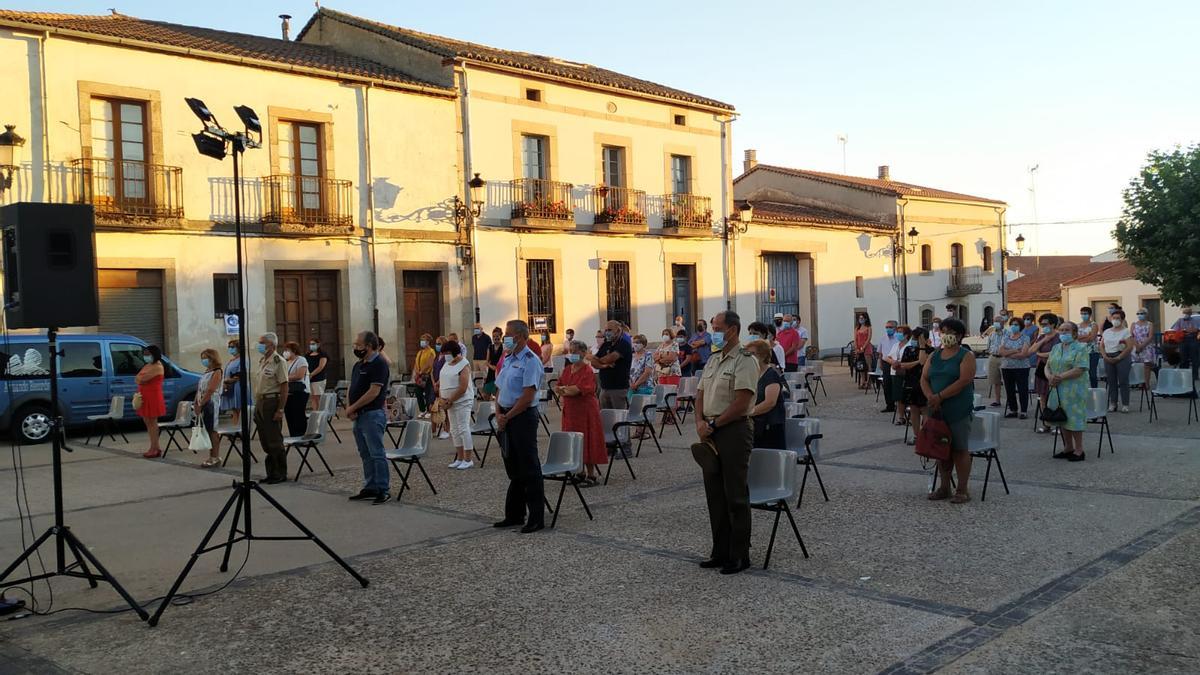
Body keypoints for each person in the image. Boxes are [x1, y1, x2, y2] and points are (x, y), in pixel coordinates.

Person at [690, 310, 758, 575]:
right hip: (709, 430)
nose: (712, 331)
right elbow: (700, 393)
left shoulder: (745, 360)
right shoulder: (714, 358)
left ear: (732, 330)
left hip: (733, 430)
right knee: (715, 494)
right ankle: (720, 550)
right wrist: (699, 422)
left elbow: (742, 402)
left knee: (735, 495)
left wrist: (715, 424)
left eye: (717, 327)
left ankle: (739, 554)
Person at [492, 320, 545, 534]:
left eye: (509, 334)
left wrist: (509, 415)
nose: (506, 338)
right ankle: (514, 514)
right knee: (513, 468)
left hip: (522, 417)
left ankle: (536, 517)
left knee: (529, 467)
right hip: (505, 415)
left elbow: (527, 395)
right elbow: (499, 388)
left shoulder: (531, 361)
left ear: (522, 337)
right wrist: (498, 413)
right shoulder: (507, 358)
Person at [921, 318, 976, 504]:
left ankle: (962, 489)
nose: (946, 335)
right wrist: (930, 396)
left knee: (959, 449)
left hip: (957, 408)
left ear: (959, 336)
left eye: (951, 332)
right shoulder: (934, 355)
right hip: (936, 408)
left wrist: (940, 396)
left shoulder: (966, 355)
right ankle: (944, 487)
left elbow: (964, 380)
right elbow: (924, 378)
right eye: (943, 331)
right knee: (940, 448)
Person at [346, 331, 391, 504]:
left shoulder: (379, 363)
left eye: (359, 345)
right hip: (358, 415)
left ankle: (382, 488)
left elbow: (374, 391)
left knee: (376, 452)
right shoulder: (359, 365)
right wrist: (350, 408)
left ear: (369, 346)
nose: (356, 348)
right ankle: (370, 485)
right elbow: (352, 387)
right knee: (365, 453)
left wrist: (353, 407)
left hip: (372, 414)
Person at [554, 340, 607, 485]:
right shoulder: (567, 369)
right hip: (570, 411)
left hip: (585, 411)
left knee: (587, 439)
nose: (572, 354)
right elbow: (558, 387)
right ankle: (579, 471)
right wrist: (565, 389)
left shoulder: (587, 370)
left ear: (583, 353)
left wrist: (565, 389)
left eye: (575, 352)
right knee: (573, 440)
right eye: (571, 351)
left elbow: (578, 389)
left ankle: (591, 474)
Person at [1046, 322, 1090, 462]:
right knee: (1062, 418)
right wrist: (1050, 377)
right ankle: (1068, 447)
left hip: (1074, 390)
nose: (1063, 333)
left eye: (1067, 330)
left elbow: (1080, 368)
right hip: (1057, 388)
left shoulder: (1081, 348)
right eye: (1061, 330)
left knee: (1074, 419)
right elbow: (1047, 366)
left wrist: (1059, 377)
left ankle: (1079, 450)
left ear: (1074, 333)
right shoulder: (1056, 348)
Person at [252, 332, 290, 484]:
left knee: (274, 440)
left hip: (272, 402)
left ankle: (280, 473)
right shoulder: (263, 361)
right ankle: (271, 472)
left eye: (263, 343)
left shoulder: (278, 361)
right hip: (261, 402)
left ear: (272, 346)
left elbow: (284, 386)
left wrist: (280, 409)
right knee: (265, 440)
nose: (259, 346)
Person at [437, 339, 475, 470]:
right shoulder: (447, 363)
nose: (445, 355)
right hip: (448, 402)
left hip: (462, 401)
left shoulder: (464, 364)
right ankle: (459, 457)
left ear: (454, 352)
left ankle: (468, 458)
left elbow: (463, 387)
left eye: (447, 352)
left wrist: (450, 400)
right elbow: (443, 378)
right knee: (454, 429)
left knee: (463, 427)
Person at [746, 340, 786, 449]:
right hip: (756, 426)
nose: (749, 357)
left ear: (763, 356)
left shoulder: (771, 375)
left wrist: (749, 412)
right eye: (747, 354)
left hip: (770, 427)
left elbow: (770, 403)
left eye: (752, 354)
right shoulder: (752, 374)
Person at [898, 327, 932, 441]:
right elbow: (903, 365)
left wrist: (922, 347)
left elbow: (923, 363)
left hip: (925, 384)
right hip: (911, 382)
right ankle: (917, 435)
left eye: (916, 338)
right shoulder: (909, 350)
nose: (913, 340)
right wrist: (917, 362)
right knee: (914, 409)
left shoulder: (931, 351)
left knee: (925, 409)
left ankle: (926, 436)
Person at [590, 320, 633, 409]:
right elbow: (593, 362)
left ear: (618, 330)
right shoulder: (606, 344)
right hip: (605, 388)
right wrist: (604, 365)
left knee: (618, 417)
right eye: (606, 330)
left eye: (609, 330)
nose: (607, 333)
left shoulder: (623, 344)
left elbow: (610, 358)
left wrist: (599, 359)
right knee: (605, 417)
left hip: (618, 388)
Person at [1031, 313, 1061, 433]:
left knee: (1056, 398)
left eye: (1046, 324)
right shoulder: (1041, 337)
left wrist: (1039, 354)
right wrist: (1044, 340)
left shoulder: (1059, 337)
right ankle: (1046, 423)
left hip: (1055, 369)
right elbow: (1032, 350)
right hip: (1042, 368)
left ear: (1053, 324)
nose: (1043, 326)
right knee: (1043, 397)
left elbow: (1055, 353)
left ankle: (1058, 424)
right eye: (1041, 324)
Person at [194, 348, 223, 468]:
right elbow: (200, 388)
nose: (204, 360)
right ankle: (211, 455)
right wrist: (196, 402)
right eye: (202, 358)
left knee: (213, 430)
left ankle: (215, 456)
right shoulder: (207, 371)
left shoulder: (217, 371)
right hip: (202, 400)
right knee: (207, 429)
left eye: (205, 357)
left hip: (211, 402)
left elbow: (211, 389)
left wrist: (202, 403)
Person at [1101, 309, 1135, 413]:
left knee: (1123, 381)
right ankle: (1113, 403)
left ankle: (1125, 404)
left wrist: (1119, 357)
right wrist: (1104, 356)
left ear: (1122, 319)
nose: (1115, 320)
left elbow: (1129, 347)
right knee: (1111, 381)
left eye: (1118, 318)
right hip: (1108, 357)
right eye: (1114, 318)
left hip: (1122, 357)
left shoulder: (1126, 331)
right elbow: (1101, 345)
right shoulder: (1106, 332)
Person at [136, 345, 167, 458]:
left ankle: (155, 447)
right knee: (147, 422)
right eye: (144, 354)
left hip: (153, 396)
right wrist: (140, 378)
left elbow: (142, 378)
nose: (146, 356)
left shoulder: (157, 366)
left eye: (148, 354)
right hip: (144, 396)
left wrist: (140, 378)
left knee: (152, 423)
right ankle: (154, 446)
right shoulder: (148, 365)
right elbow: (137, 378)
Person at [999, 317, 1032, 419]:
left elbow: (1023, 354)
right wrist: (1015, 351)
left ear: (1021, 326)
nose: (1014, 326)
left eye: (1016, 324)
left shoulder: (1025, 338)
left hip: (1021, 368)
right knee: (1009, 390)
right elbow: (1001, 352)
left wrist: (1007, 353)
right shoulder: (1005, 337)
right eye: (1012, 324)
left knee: (1022, 389)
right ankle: (1013, 410)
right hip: (1007, 367)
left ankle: (1023, 411)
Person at [282, 341, 310, 438]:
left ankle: (301, 435)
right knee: (289, 413)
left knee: (298, 413)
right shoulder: (286, 362)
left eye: (287, 350)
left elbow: (299, 375)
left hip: (300, 391)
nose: (285, 352)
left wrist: (285, 377)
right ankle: (293, 435)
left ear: (293, 350)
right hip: (289, 391)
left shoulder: (301, 360)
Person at [1170, 307, 1199, 382]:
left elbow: (1195, 329)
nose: (1186, 314)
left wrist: (1184, 330)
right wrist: (1187, 330)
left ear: (1190, 313)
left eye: (1188, 313)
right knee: (1183, 358)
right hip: (1183, 341)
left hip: (1193, 340)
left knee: (1194, 358)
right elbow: (1176, 329)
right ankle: (1184, 375)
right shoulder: (1180, 320)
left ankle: (1195, 376)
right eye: (1185, 313)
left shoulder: (1194, 320)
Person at [878, 320, 901, 413]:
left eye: (890, 327)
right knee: (887, 384)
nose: (888, 329)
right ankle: (889, 405)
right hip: (886, 363)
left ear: (895, 328)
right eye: (887, 327)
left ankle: (899, 404)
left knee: (896, 383)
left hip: (896, 362)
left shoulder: (898, 338)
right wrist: (880, 362)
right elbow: (880, 352)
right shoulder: (883, 338)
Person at [1131, 308, 1157, 390]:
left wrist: (1142, 345)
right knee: (1137, 365)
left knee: (1146, 366)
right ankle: (1138, 382)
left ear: (1146, 314)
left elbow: (1150, 336)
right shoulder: (1134, 324)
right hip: (1136, 346)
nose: (1140, 315)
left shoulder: (1150, 324)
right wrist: (1137, 346)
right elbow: (1132, 336)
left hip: (1147, 346)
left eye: (1142, 313)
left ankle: (1146, 383)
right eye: (1138, 313)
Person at [221, 339, 244, 427]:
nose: (230, 349)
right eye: (229, 347)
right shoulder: (232, 360)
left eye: (232, 347)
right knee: (234, 409)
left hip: (238, 386)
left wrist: (227, 380)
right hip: (231, 386)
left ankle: (239, 429)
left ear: (238, 348)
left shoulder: (242, 360)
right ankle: (235, 428)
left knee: (238, 408)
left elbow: (239, 375)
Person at [983, 316, 1005, 407]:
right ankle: (997, 400)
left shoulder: (1007, 333)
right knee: (995, 380)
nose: (996, 323)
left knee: (1007, 380)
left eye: (998, 321)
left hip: (1004, 357)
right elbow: (988, 345)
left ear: (1003, 322)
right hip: (993, 357)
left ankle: (1011, 401)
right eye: (995, 321)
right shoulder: (992, 334)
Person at [431, 336, 449, 439]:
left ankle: (446, 429)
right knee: (433, 407)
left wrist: (438, 383)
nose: (437, 345)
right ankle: (433, 429)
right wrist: (434, 382)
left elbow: (445, 372)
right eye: (436, 343)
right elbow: (432, 371)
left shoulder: (447, 358)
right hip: (435, 384)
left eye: (439, 344)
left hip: (442, 384)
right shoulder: (437, 357)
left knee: (444, 408)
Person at [413, 333, 436, 414]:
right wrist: (417, 371)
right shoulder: (420, 352)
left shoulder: (431, 351)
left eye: (424, 340)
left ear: (428, 342)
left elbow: (429, 363)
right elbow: (416, 363)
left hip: (427, 375)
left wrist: (421, 371)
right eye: (421, 340)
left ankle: (429, 411)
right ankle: (422, 410)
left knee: (428, 394)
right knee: (418, 392)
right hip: (419, 376)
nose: (422, 342)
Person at [1077, 307, 1100, 388]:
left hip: (1092, 352)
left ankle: (1094, 390)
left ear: (1090, 315)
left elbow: (1092, 338)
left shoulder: (1094, 325)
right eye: (1082, 313)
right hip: (1081, 352)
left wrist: (1081, 338)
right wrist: (1087, 335)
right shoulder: (1078, 326)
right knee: (1081, 373)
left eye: (1085, 313)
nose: (1083, 315)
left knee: (1092, 374)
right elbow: (1075, 338)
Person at [305, 338, 328, 412]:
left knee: (318, 397)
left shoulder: (323, 354)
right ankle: (315, 412)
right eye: (310, 344)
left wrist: (312, 374)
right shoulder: (308, 355)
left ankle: (321, 413)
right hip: (309, 379)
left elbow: (321, 366)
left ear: (318, 345)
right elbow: (305, 365)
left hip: (319, 378)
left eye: (313, 344)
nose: (311, 345)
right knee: (313, 397)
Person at [854, 312, 874, 390]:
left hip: (866, 348)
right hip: (858, 348)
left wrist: (863, 348)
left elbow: (869, 339)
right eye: (859, 318)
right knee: (860, 365)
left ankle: (868, 382)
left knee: (868, 365)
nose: (860, 320)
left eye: (862, 318)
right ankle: (863, 381)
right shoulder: (857, 328)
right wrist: (856, 348)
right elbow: (855, 339)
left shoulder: (868, 328)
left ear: (865, 319)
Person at [483, 327, 503, 400]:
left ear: (500, 336)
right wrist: (490, 366)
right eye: (494, 336)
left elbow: (503, 360)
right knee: (486, 394)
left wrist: (497, 368)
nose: (495, 338)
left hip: (500, 372)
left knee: (498, 394)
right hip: (491, 372)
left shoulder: (503, 347)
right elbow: (487, 361)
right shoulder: (490, 347)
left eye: (497, 336)